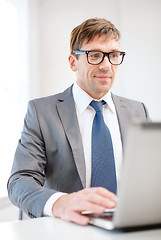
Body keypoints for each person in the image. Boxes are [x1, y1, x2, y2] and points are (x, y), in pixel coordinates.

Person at [7, 18, 149, 225]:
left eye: (114, 55)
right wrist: (62, 203)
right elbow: (19, 182)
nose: (106, 65)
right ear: (73, 62)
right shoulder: (41, 112)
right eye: (95, 56)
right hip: (68, 230)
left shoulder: (137, 110)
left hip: (127, 227)